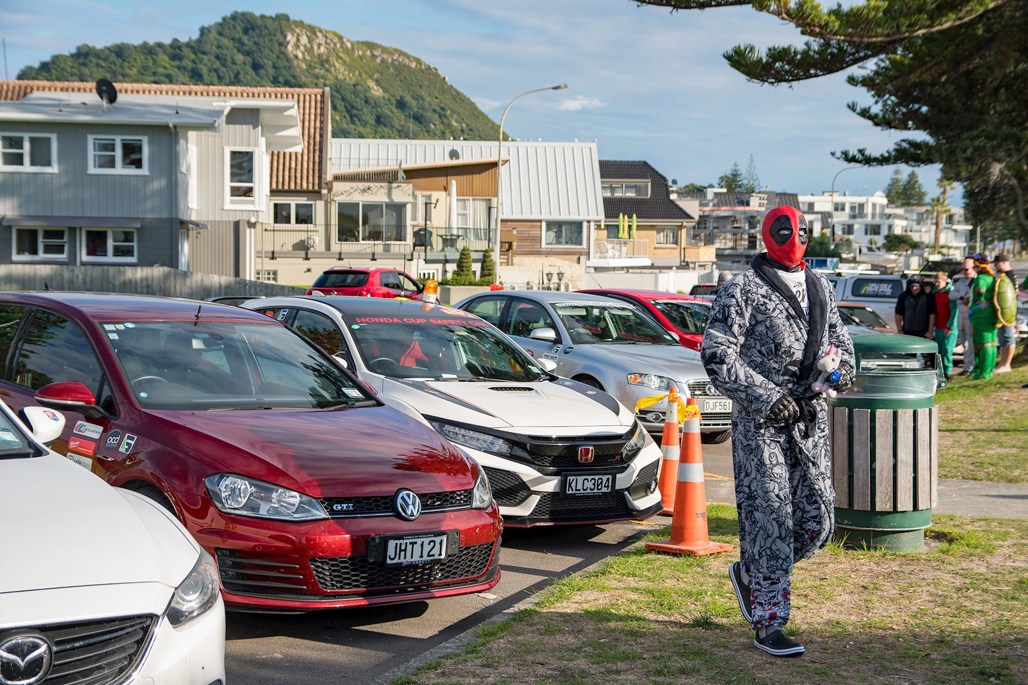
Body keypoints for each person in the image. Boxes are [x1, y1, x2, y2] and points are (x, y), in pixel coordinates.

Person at [702, 206, 854, 658]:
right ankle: (769, 621)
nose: (795, 237)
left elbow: (843, 346)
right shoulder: (742, 288)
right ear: (768, 234)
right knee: (770, 520)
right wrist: (766, 397)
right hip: (761, 426)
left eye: (802, 230)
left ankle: (751, 574)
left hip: (810, 421)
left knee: (817, 521)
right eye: (785, 230)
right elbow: (717, 354)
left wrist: (839, 373)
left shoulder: (821, 285)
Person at [968, 255, 998, 380]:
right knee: (991, 342)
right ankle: (988, 371)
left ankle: (983, 373)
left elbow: (980, 289)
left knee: (982, 343)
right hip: (991, 312)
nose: (974, 269)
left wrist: (980, 298)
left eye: (975, 266)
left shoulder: (981, 278)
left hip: (981, 314)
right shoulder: (991, 277)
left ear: (979, 267)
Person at [951, 257, 977, 376]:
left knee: (971, 343)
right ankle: (967, 366)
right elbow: (952, 295)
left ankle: (970, 367)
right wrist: (961, 297)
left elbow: (971, 298)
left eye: (966, 269)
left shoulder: (976, 280)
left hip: (971, 315)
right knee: (964, 343)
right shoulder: (961, 281)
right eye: (962, 269)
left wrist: (963, 297)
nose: (964, 272)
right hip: (961, 314)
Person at [993, 254, 1018, 374]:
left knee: (1009, 338)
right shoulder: (1003, 275)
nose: (995, 266)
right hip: (1001, 313)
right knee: (1002, 339)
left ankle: (1007, 364)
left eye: (996, 263)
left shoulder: (1010, 275)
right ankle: (1002, 363)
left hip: (1008, 313)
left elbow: (1011, 295)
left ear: (1003, 262)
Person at [931, 271, 958, 379]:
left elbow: (954, 311)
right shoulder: (935, 293)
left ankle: (948, 371)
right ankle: (940, 372)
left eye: (939, 281)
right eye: (936, 282)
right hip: (938, 326)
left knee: (947, 349)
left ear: (945, 281)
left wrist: (949, 326)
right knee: (940, 350)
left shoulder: (951, 293)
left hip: (949, 327)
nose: (937, 284)